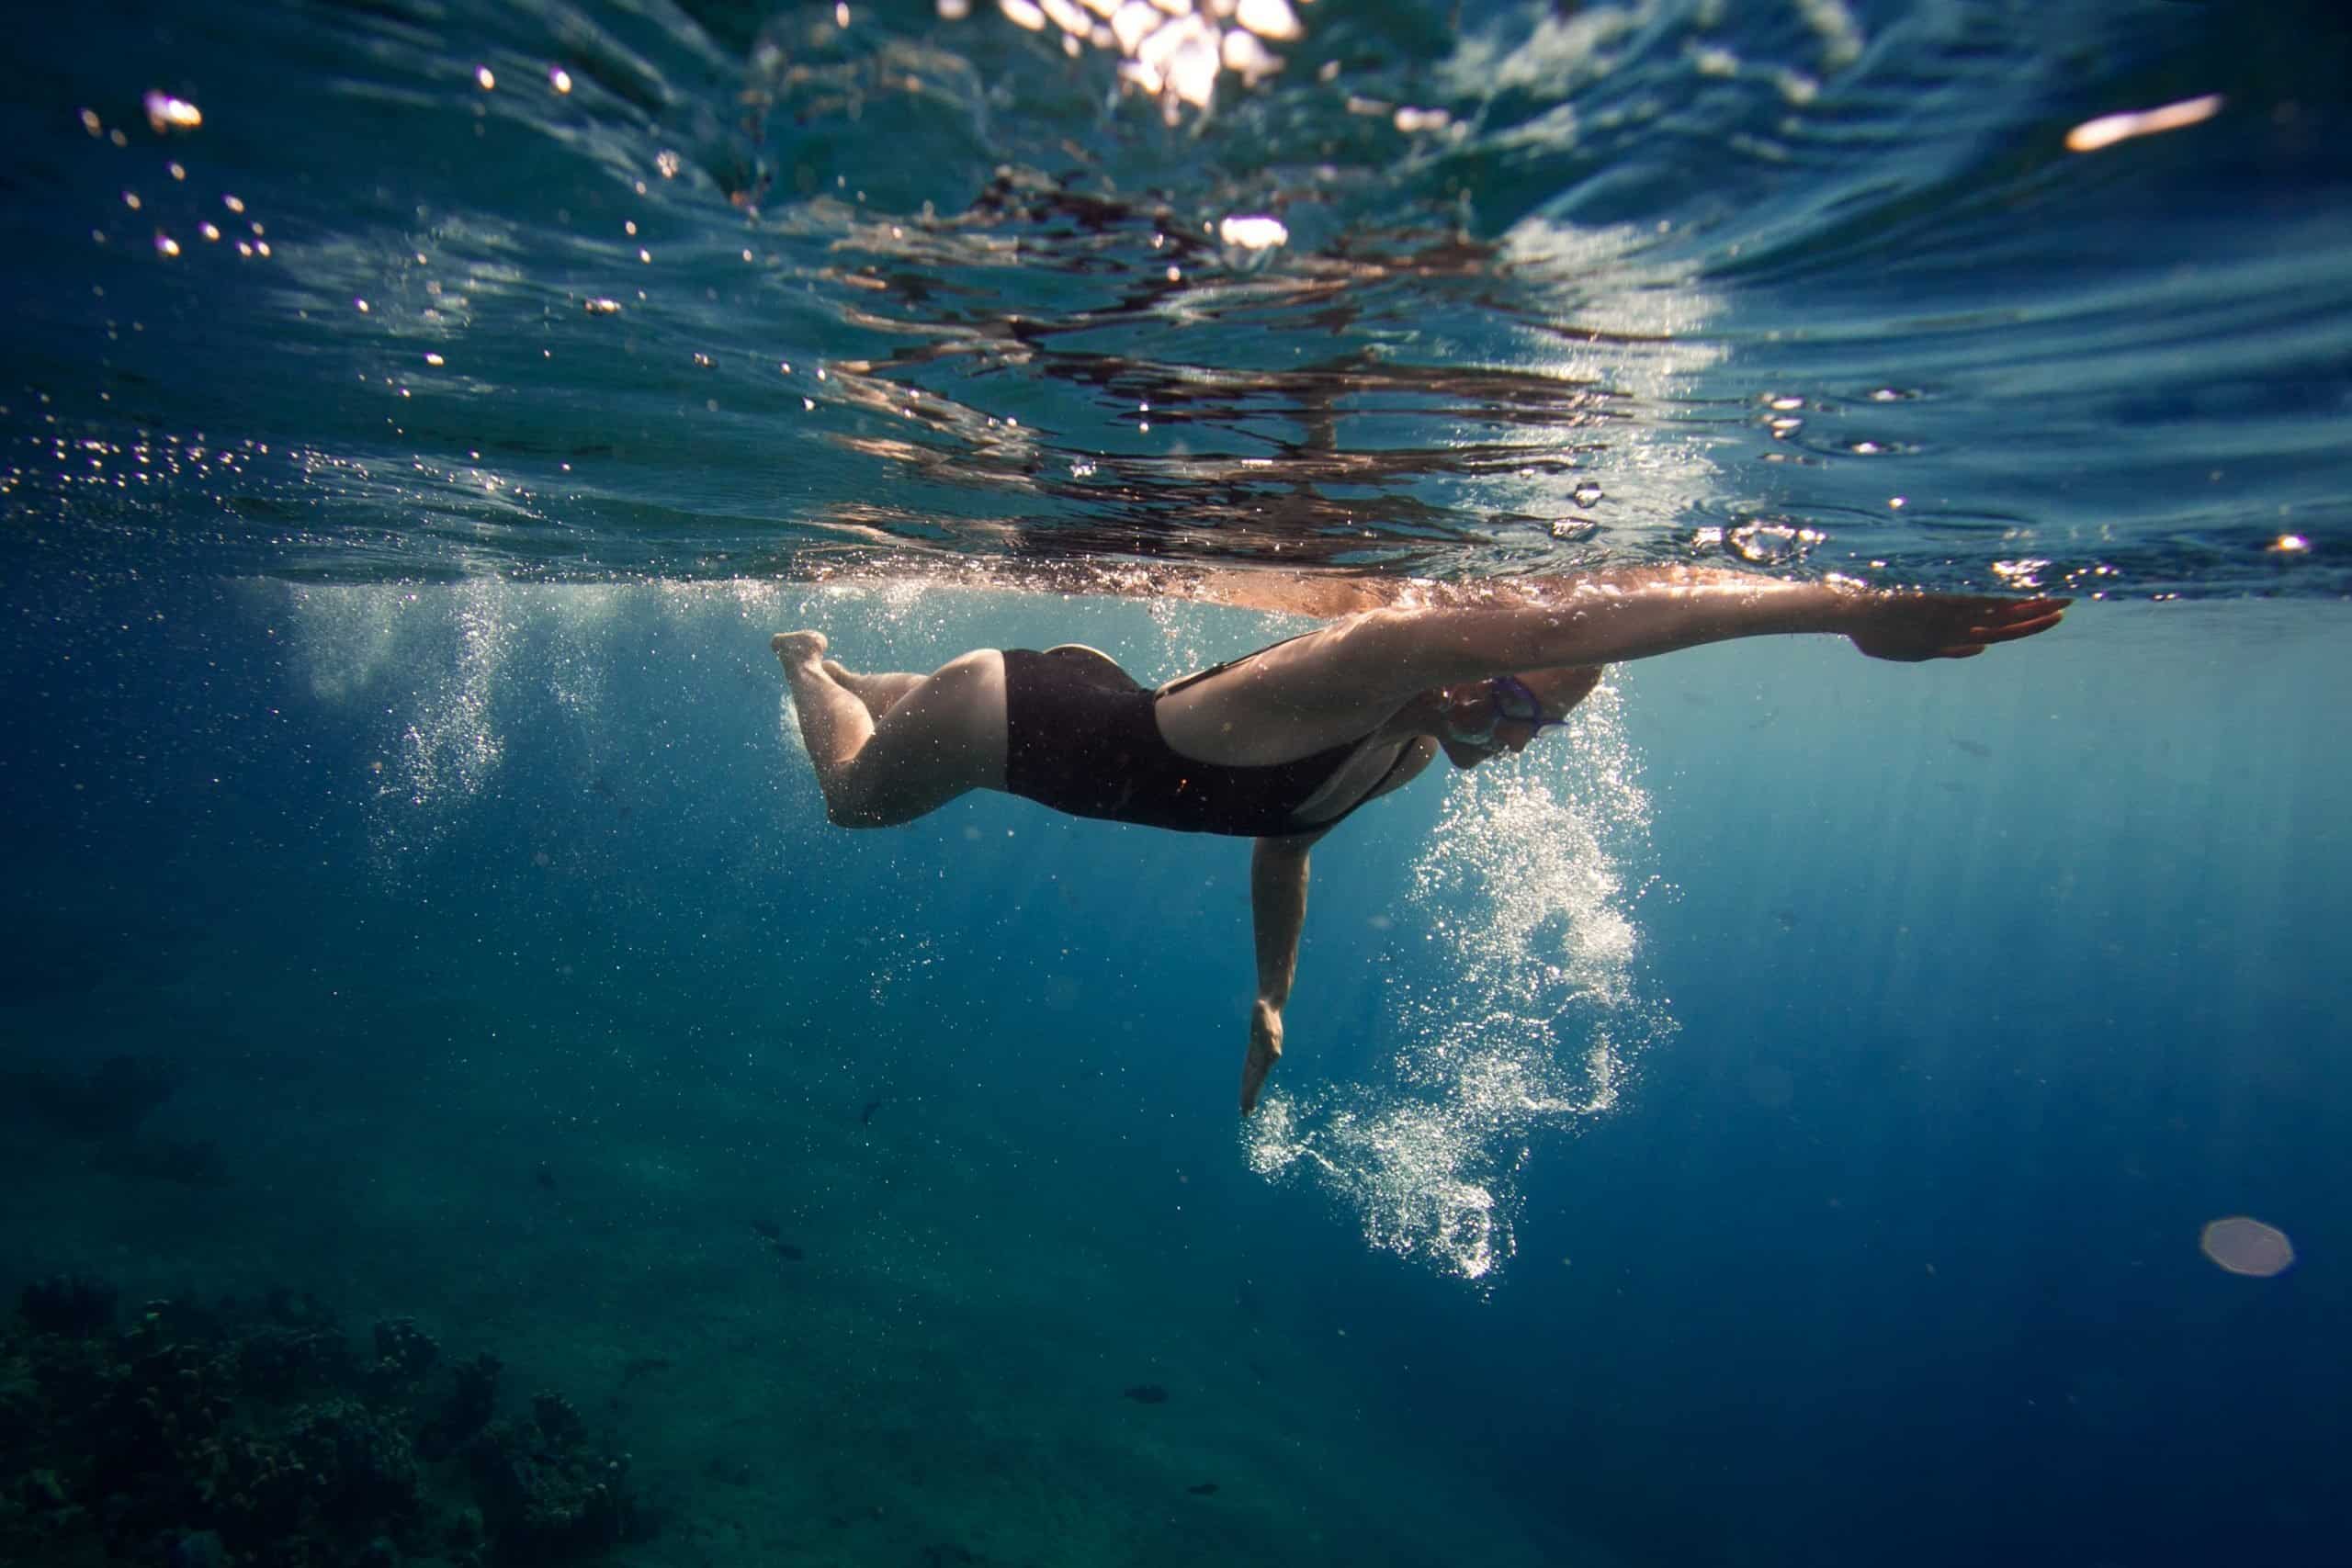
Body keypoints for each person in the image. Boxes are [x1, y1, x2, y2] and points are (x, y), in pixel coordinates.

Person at [772, 566, 2065, 1114]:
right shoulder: (1365, 673)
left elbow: (1287, 843)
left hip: (1069, 696)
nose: (1508, 735)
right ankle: (815, 659)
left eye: (1536, 728)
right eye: (1507, 697)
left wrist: (1270, 998)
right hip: (1009, 716)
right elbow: (1583, 621)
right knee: (851, 802)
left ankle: (890, 690)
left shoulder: (1393, 754)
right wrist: (1840, 608)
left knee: (912, 731)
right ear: (1471, 667)